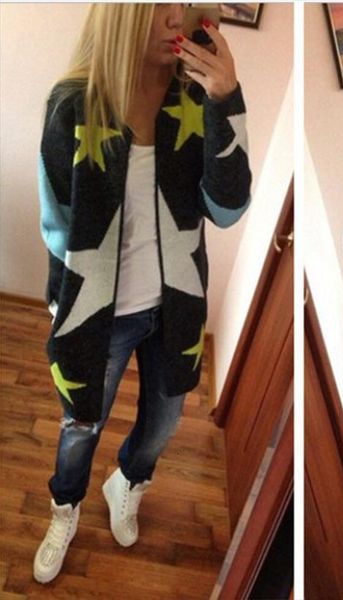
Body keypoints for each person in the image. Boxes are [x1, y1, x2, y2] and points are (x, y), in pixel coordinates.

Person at [34, 3, 251, 584]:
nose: (175, 19)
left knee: (164, 423)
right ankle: (65, 506)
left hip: (175, 309)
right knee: (81, 424)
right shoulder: (73, 105)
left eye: (184, 3)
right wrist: (63, 304)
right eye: (159, 5)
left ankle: (127, 481)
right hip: (99, 315)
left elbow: (228, 209)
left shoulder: (199, 100)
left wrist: (227, 98)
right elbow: (57, 223)